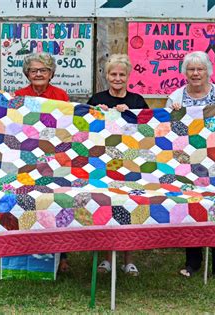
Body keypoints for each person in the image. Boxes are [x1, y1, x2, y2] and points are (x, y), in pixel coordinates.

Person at [166, 51, 215, 283]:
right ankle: (193, 262)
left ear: (208, 71)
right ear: (184, 73)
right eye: (191, 69)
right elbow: (166, 130)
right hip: (187, 162)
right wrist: (173, 112)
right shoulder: (177, 96)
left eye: (200, 69)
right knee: (192, 207)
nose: (195, 74)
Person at [88, 54, 149, 276]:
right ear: (106, 75)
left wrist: (130, 115)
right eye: (113, 74)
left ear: (128, 76)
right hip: (102, 161)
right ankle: (106, 258)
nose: (117, 78)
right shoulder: (97, 99)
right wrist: (97, 113)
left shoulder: (136, 101)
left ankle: (128, 259)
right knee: (106, 206)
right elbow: (83, 129)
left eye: (121, 74)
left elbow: (148, 129)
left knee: (129, 206)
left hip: (130, 162)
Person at [15, 52, 71, 273]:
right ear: (27, 74)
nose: (38, 74)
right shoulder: (19, 95)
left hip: (55, 157)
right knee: (29, 200)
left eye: (43, 70)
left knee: (57, 202)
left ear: (51, 73)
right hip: (27, 156)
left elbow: (68, 125)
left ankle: (62, 255)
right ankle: (27, 250)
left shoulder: (60, 95)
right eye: (34, 70)